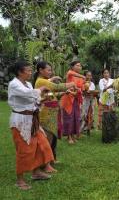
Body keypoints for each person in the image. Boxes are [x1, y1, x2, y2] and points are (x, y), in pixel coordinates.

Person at [8, 61, 54, 190]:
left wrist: (43, 99)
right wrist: (41, 89)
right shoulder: (14, 84)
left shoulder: (28, 84)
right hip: (20, 121)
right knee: (24, 150)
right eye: (27, 70)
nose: (30, 72)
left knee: (41, 145)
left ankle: (36, 172)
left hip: (32, 120)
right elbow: (28, 94)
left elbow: (33, 99)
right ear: (19, 72)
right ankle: (20, 179)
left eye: (30, 70)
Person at [34, 61, 76, 168]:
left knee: (52, 137)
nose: (50, 72)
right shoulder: (41, 81)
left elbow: (51, 95)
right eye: (48, 70)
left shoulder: (43, 81)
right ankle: (45, 164)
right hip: (46, 114)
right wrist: (71, 84)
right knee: (47, 138)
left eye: (51, 70)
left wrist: (63, 93)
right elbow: (57, 87)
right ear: (40, 70)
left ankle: (51, 160)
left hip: (52, 113)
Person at [60, 61, 85, 144]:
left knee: (75, 117)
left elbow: (81, 88)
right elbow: (71, 72)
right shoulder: (70, 73)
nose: (79, 67)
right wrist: (82, 76)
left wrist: (79, 90)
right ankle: (69, 136)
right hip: (68, 98)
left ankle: (73, 135)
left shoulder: (80, 78)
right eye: (77, 65)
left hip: (76, 99)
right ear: (72, 67)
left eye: (80, 66)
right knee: (69, 117)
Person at [80, 70, 96, 135]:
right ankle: (80, 129)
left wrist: (92, 93)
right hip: (84, 100)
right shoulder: (82, 83)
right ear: (85, 76)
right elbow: (82, 91)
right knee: (83, 114)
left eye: (90, 75)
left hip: (91, 100)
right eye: (88, 75)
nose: (89, 77)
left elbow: (93, 92)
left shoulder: (92, 84)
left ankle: (88, 128)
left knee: (91, 114)